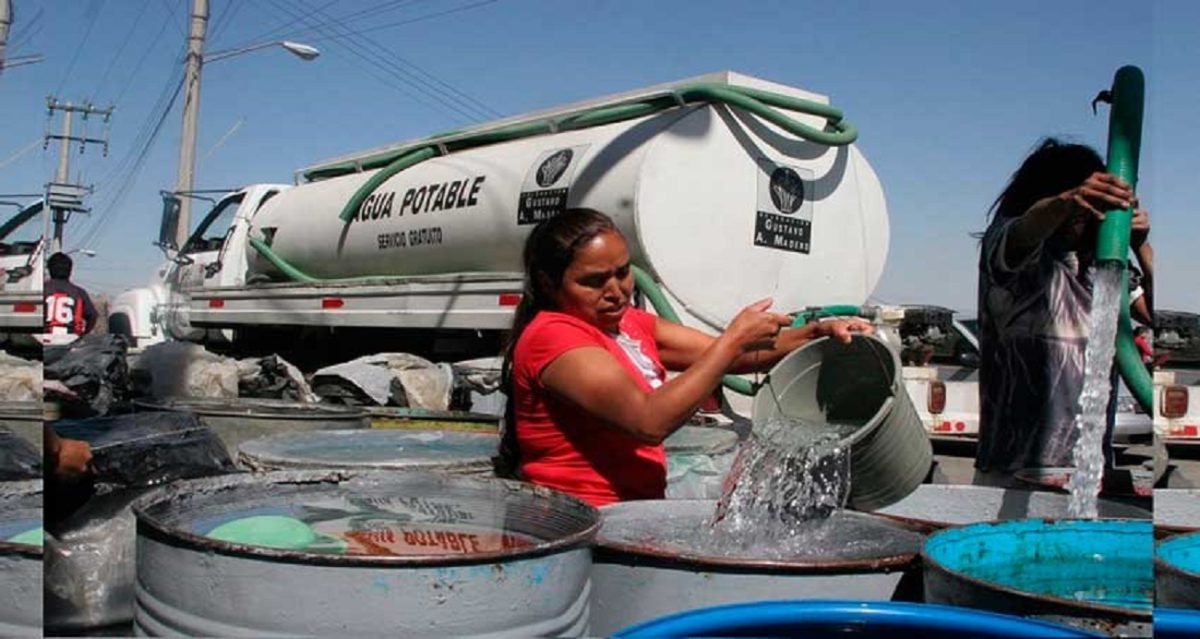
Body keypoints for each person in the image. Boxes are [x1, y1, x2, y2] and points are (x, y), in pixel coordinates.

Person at [498, 208, 873, 506]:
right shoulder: (553, 335)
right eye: (594, 281)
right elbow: (647, 421)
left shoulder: (629, 324)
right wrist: (733, 341)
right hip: (579, 519)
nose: (616, 291)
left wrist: (817, 333)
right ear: (549, 283)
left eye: (623, 273)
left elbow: (734, 357)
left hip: (630, 511)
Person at [975, 138, 1153, 487]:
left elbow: (1152, 315)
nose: (1085, 218)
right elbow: (1026, 229)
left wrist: (1141, 245)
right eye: (1082, 203)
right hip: (1013, 473)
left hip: (1088, 472)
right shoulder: (1014, 255)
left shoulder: (1104, 263)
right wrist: (1063, 203)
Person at [42, 252, 98, 345]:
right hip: (71, 339)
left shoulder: (43, 289)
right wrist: (84, 334)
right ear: (70, 270)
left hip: (45, 338)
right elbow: (92, 316)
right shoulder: (79, 292)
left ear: (49, 269)